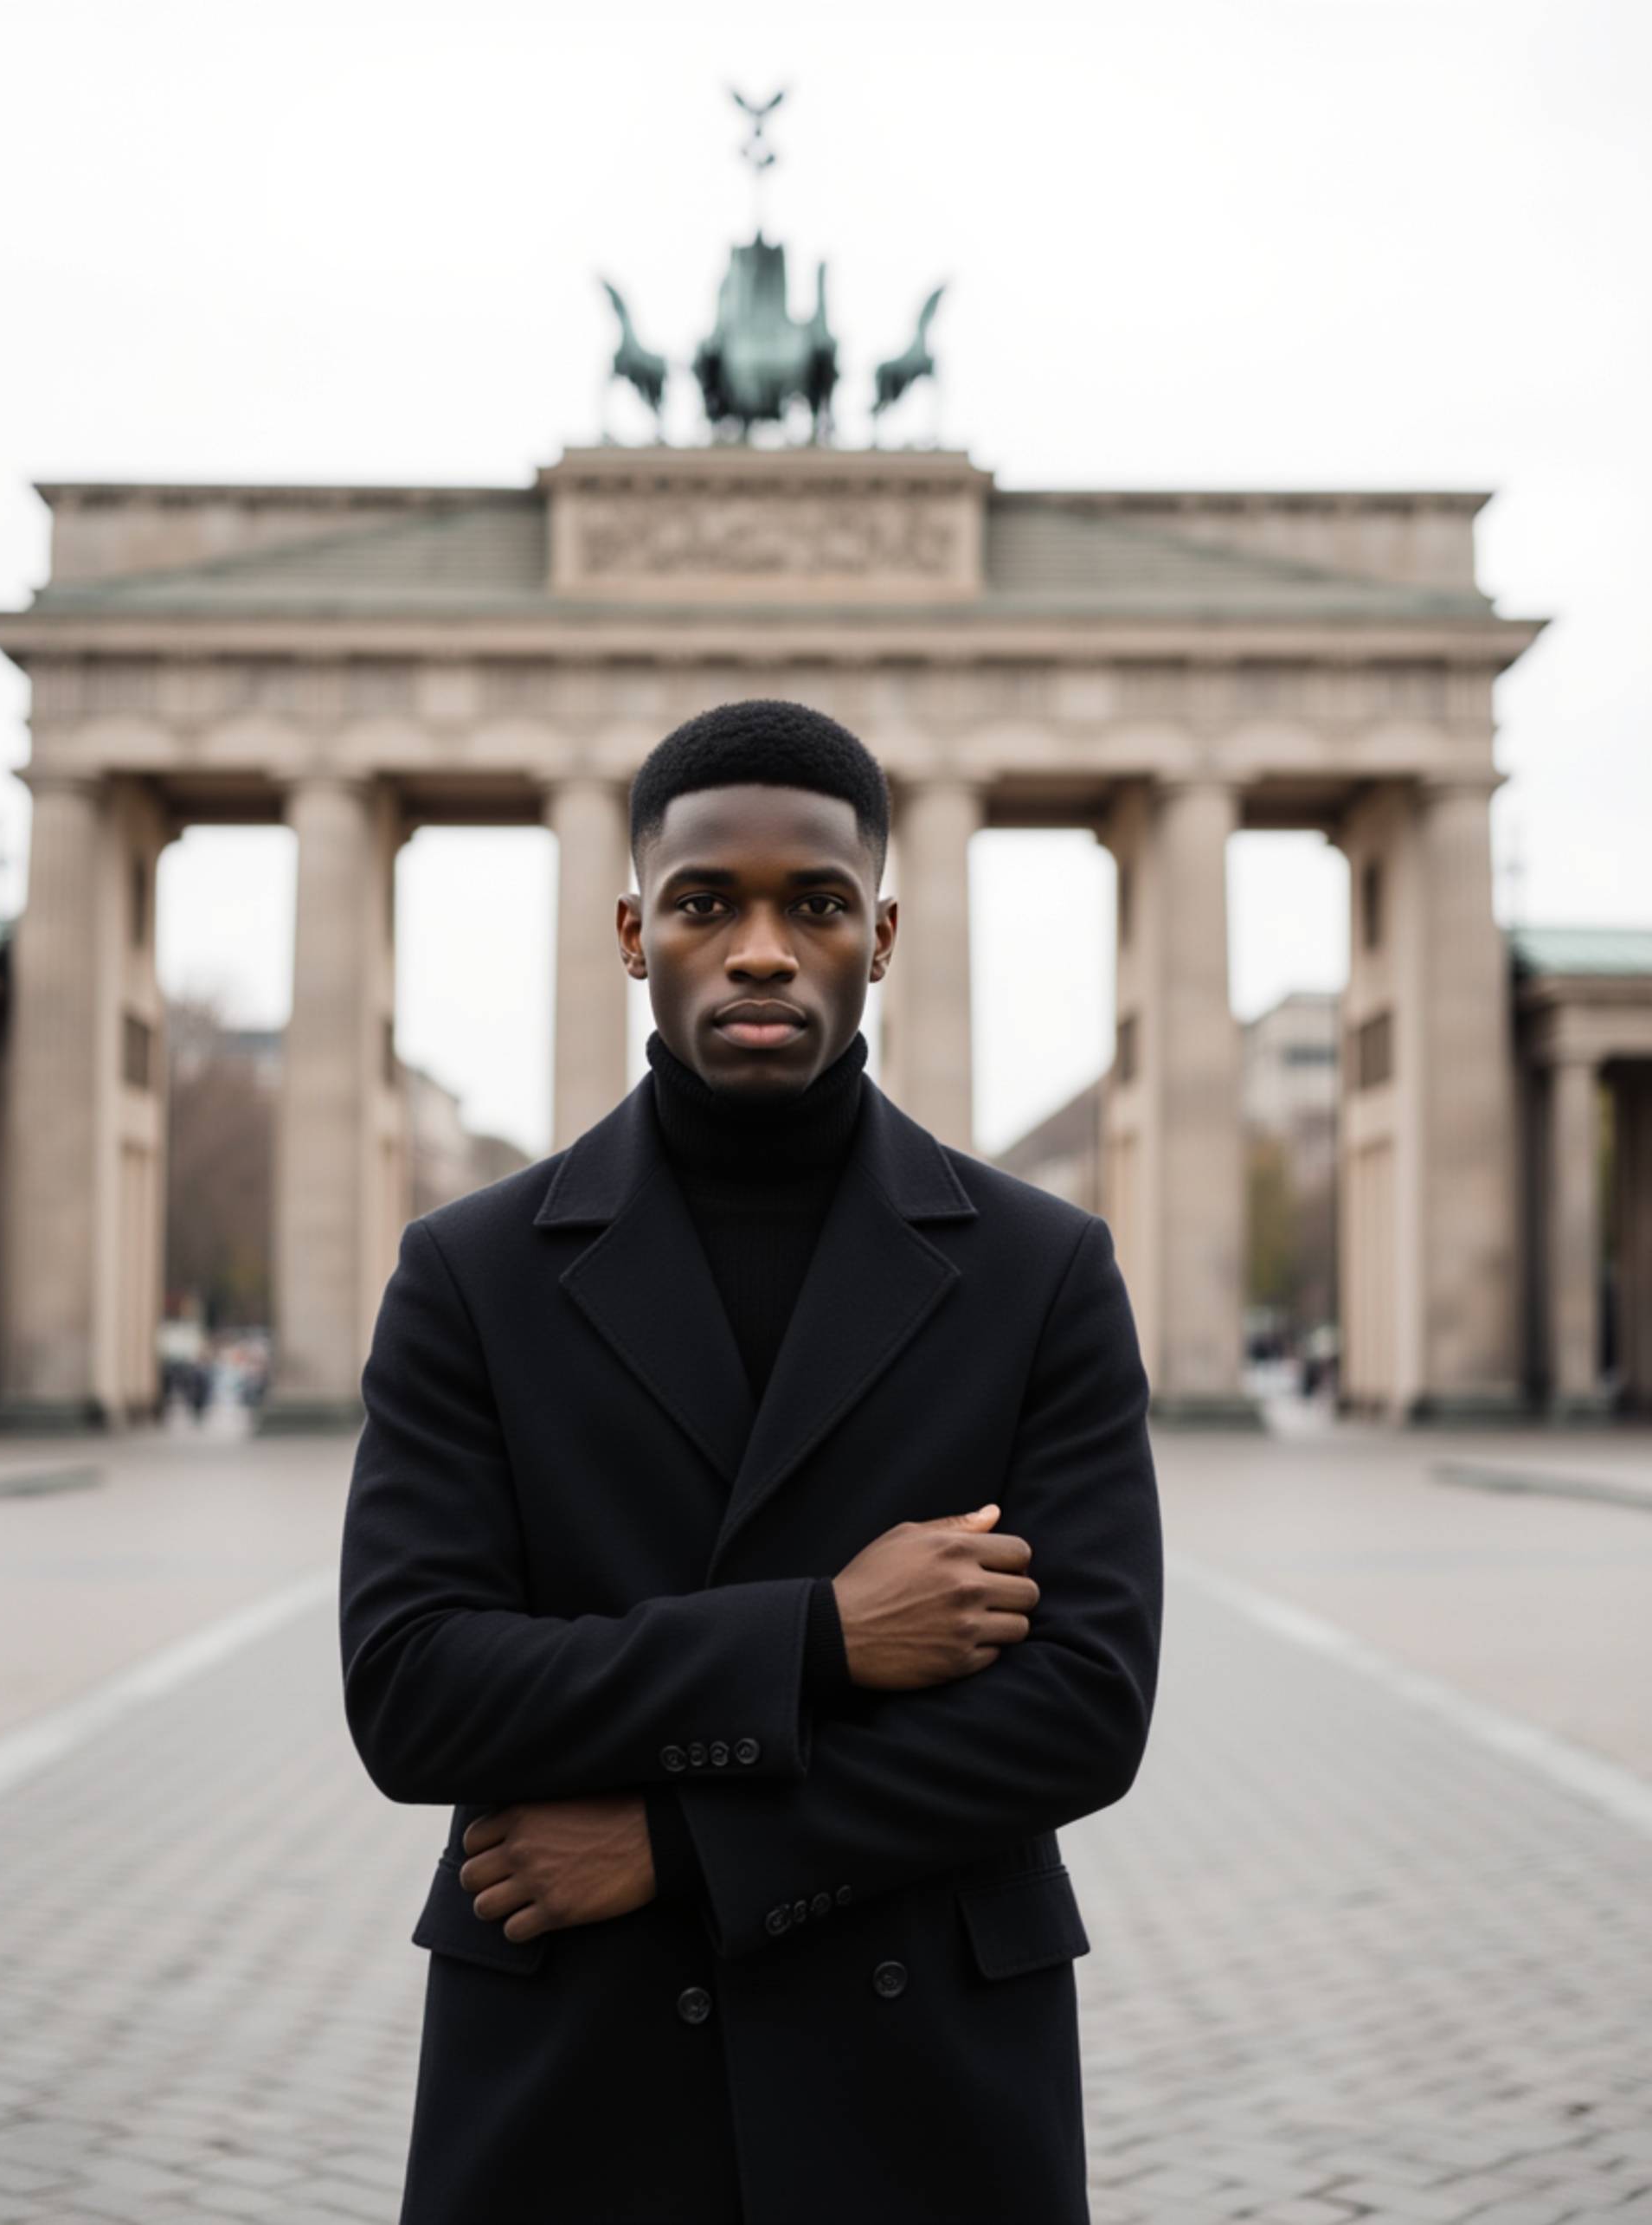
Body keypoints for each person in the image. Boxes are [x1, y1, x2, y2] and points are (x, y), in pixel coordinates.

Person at [339, 698, 1164, 2225]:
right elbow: (412, 1690)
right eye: (710, 903)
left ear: (885, 931)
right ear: (634, 929)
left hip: (924, 2087)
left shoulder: (1042, 1269)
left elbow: (1083, 1712)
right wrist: (824, 1636)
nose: (766, 948)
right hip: (574, 2073)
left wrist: (680, 1844)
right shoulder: (473, 1270)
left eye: (819, 904)